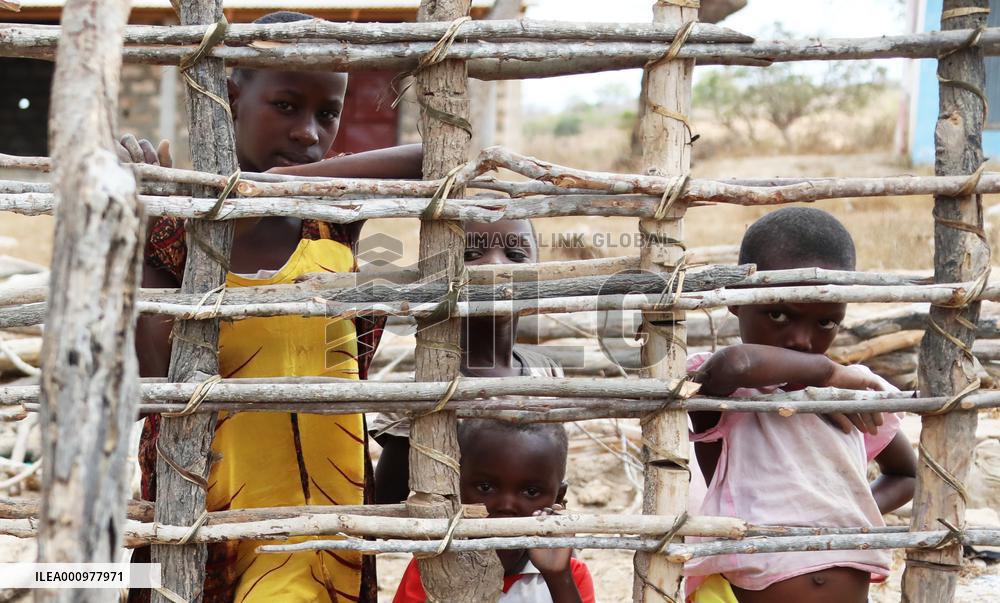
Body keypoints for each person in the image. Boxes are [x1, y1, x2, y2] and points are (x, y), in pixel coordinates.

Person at [130, 11, 422, 603]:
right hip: (213, 516)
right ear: (231, 96)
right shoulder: (175, 228)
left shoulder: (333, 217)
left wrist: (264, 192)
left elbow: (423, 157)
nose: (309, 133)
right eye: (286, 106)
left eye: (327, 113)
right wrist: (139, 228)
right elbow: (153, 374)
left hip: (329, 516)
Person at [685, 207, 917, 603]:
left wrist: (843, 512)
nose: (801, 341)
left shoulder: (850, 396)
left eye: (826, 322)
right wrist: (827, 373)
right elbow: (738, 364)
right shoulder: (721, 391)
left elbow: (907, 475)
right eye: (778, 314)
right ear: (737, 299)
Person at [371, 218, 564, 504]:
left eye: (515, 256)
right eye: (471, 255)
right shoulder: (425, 388)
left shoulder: (547, 371)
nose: (495, 265)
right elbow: (388, 500)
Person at [393, 419, 596, 603]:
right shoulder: (431, 571)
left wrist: (559, 579)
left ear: (558, 498)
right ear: (455, 486)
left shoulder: (570, 576)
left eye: (531, 491)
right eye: (485, 488)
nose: (506, 505)